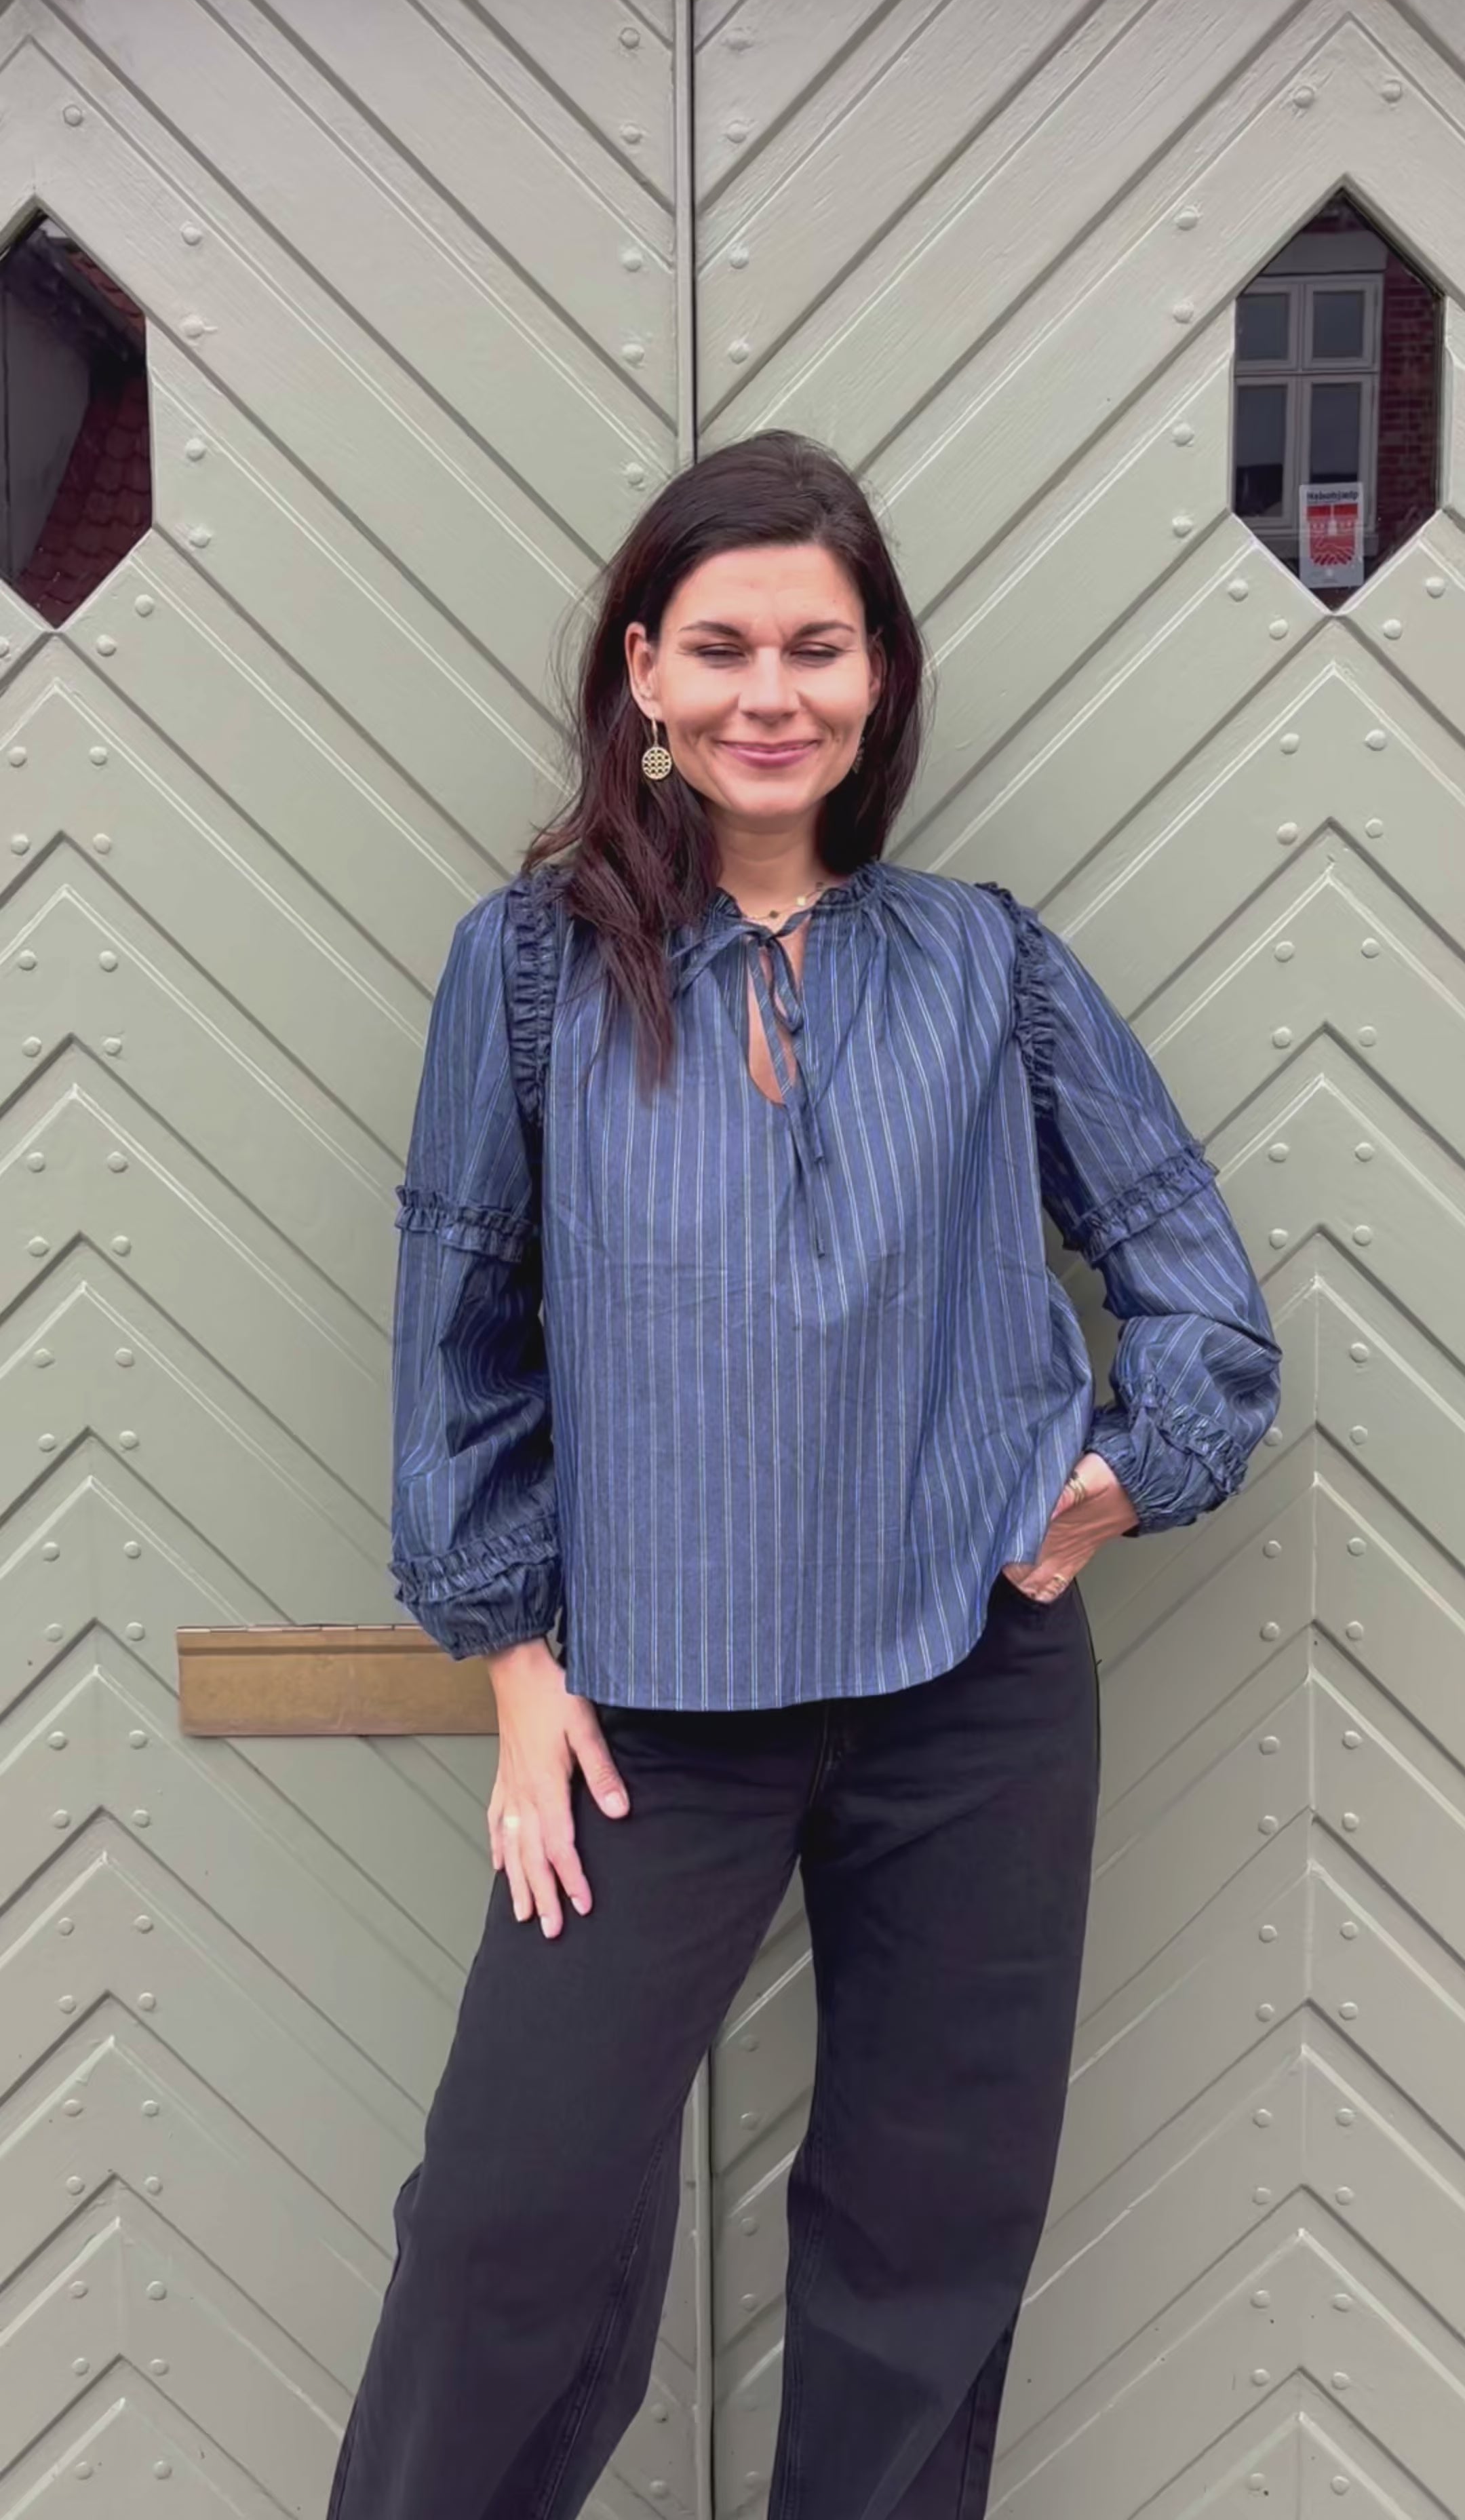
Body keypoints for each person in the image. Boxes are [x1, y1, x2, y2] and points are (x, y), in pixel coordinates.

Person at [326, 429, 1281, 2520]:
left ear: (879, 676)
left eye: (819, 648)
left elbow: (1201, 1293)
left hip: (970, 1702)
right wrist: (515, 1671)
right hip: (647, 1719)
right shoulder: (528, 971)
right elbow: (460, 1335)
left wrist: (1118, 1479)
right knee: (509, 2223)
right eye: (726, 647)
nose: (775, 694)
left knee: (925, 2245)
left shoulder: (989, 964)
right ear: (647, 677)